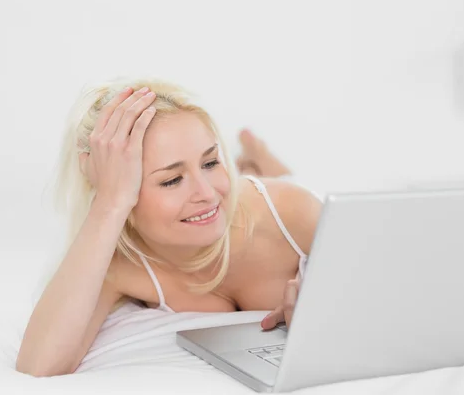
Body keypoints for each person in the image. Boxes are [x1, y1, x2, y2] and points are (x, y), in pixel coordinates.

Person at [16, 78, 322, 377]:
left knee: (281, 180)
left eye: (211, 162)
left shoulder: (291, 210)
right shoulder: (122, 265)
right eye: (171, 180)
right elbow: (39, 365)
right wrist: (108, 202)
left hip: (266, 199)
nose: (206, 192)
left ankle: (258, 159)